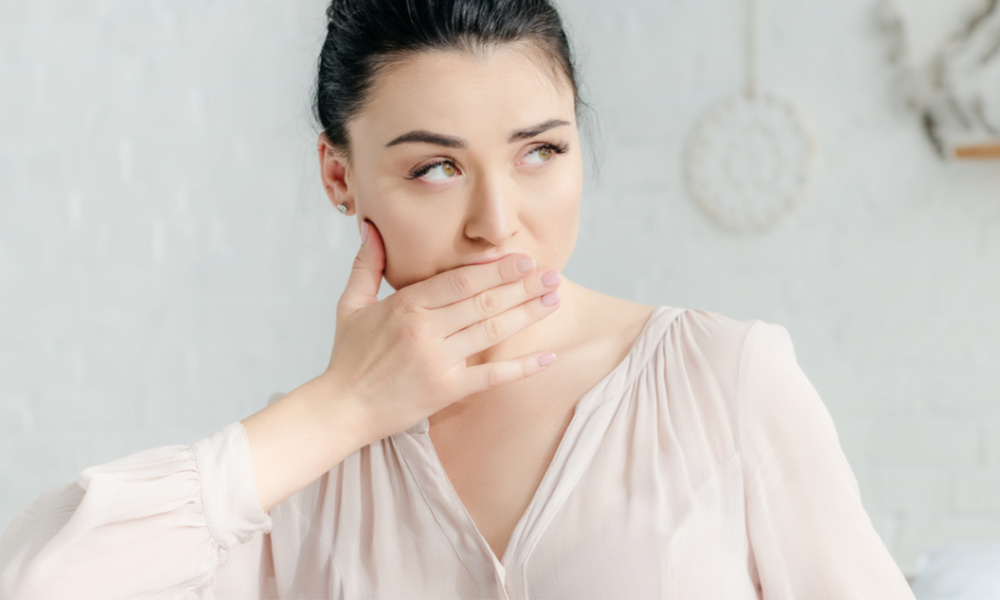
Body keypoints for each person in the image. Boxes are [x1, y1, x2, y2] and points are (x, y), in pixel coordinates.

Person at [0, 0, 915, 598]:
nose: (498, 222)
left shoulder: (723, 380)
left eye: (541, 152)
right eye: (436, 167)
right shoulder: (309, 463)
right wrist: (341, 409)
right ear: (339, 177)